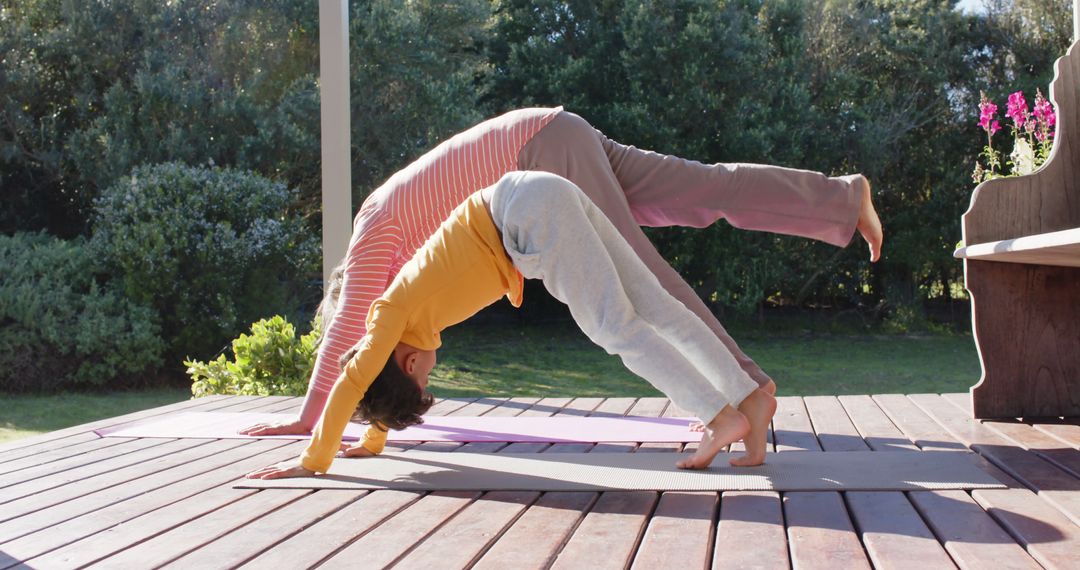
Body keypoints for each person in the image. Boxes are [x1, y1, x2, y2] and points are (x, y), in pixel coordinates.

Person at [240, 107, 884, 456]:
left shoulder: (372, 232)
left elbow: (356, 338)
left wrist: (310, 422)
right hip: (551, 133)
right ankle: (841, 198)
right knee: (704, 187)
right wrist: (369, 429)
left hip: (535, 164)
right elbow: (376, 354)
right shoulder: (404, 269)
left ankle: (746, 395)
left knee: (641, 294)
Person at [247, 171, 781, 480]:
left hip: (523, 212)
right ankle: (748, 395)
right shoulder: (410, 329)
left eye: (424, 380)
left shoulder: (387, 315)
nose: (431, 373)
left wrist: (313, 459)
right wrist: (373, 439)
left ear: (408, 363)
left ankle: (718, 415)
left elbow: (358, 376)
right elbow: (379, 380)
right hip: (535, 195)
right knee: (655, 306)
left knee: (614, 328)